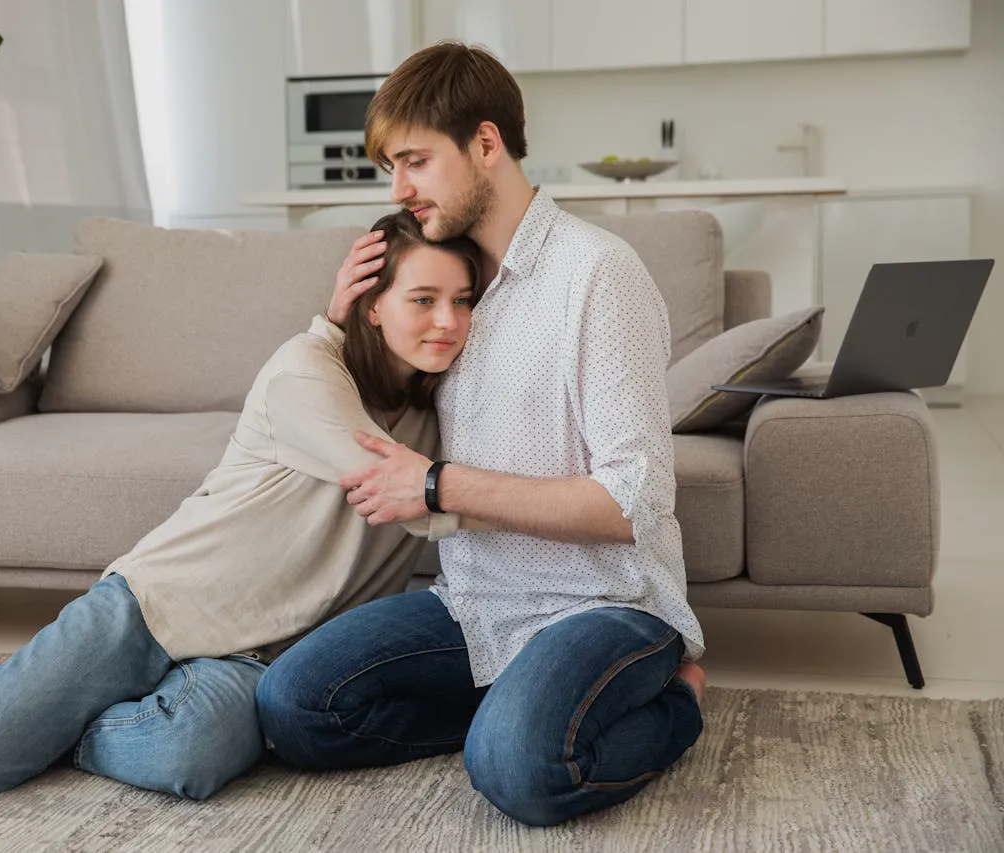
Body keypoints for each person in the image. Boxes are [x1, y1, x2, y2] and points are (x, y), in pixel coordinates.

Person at [255, 42, 707, 827]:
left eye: (416, 161)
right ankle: (517, 715)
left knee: (518, 771)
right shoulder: (448, 288)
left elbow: (633, 499)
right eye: (393, 166)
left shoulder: (598, 273)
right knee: (293, 705)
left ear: (486, 145)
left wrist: (436, 484)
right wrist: (342, 314)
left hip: (606, 601)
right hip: (475, 601)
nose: (398, 188)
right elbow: (363, 405)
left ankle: (676, 701)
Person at [0, 210, 482, 800]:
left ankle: (43, 715)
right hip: (153, 609)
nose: (448, 322)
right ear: (371, 303)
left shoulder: (442, 403)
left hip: (260, 656)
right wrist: (535, 505)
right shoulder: (305, 370)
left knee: (192, 753)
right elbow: (410, 497)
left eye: (463, 301)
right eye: (422, 299)